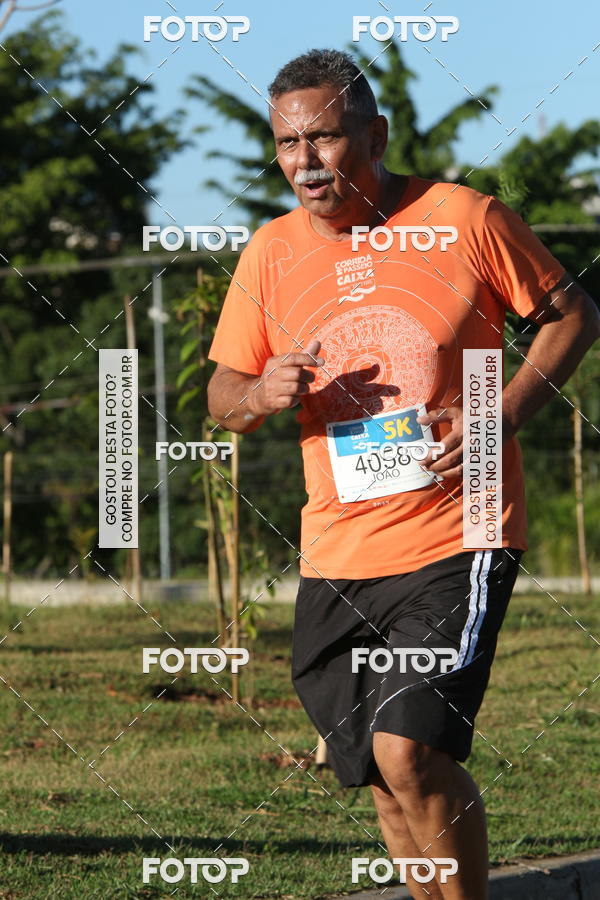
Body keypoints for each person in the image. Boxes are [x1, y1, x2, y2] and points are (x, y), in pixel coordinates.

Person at [207, 49, 599, 900]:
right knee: (382, 780)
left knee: (409, 751)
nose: (305, 162)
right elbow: (222, 394)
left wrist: (501, 413)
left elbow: (573, 312)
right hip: (337, 554)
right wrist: (259, 392)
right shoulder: (269, 253)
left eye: (324, 138)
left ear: (375, 136)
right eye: (287, 143)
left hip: (460, 530)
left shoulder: (462, 217)